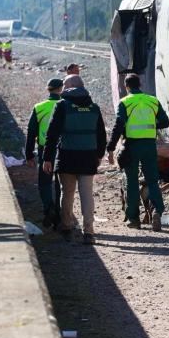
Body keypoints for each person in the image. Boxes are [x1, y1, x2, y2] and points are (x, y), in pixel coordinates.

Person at [43, 74, 106, 244]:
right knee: (87, 194)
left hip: (67, 157)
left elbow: (52, 133)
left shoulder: (62, 105)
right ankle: (89, 232)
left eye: (65, 84)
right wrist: (99, 155)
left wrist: (47, 158)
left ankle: (66, 227)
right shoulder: (94, 107)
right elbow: (101, 134)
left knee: (67, 193)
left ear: (69, 87)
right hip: (88, 157)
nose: (62, 88)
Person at [106, 73, 169, 230]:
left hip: (132, 146)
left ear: (126, 86)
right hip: (149, 145)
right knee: (152, 180)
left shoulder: (125, 102)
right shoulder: (152, 101)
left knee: (132, 181)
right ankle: (156, 211)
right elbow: (165, 122)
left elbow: (118, 125)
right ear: (140, 84)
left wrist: (111, 147)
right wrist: (152, 125)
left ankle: (134, 219)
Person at [26, 78, 64, 229]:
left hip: (44, 150)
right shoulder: (66, 105)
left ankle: (48, 208)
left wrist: (29, 154)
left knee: (45, 182)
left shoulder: (39, 107)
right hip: (63, 150)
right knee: (61, 183)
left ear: (48, 89)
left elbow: (31, 133)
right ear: (61, 89)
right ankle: (59, 213)